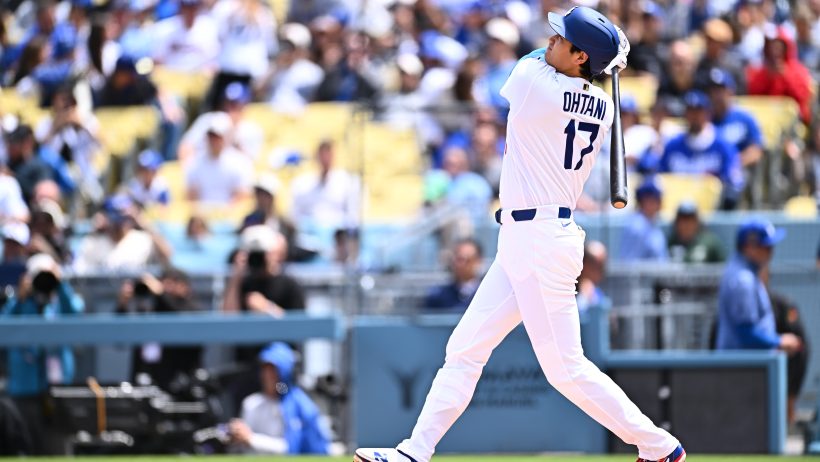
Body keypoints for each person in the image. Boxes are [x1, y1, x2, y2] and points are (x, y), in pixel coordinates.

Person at [355, 7, 685, 462]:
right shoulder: (605, 105)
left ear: (580, 55)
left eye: (560, 39)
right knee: (465, 348)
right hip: (529, 238)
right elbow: (560, 65)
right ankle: (415, 451)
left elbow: (529, 59)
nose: (549, 41)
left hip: (540, 239)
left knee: (565, 369)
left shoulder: (535, 83)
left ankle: (659, 445)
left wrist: (602, 56)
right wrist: (602, 60)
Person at [2, 253, 84, 454]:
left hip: (57, 388)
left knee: (58, 447)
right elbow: (4, 327)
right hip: (24, 387)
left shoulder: (61, 300)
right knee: (24, 446)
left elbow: (76, 316)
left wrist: (59, 284)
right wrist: (20, 299)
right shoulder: (20, 303)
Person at [716, 219, 802, 356]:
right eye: (766, 247)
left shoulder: (744, 272)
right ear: (749, 247)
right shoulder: (743, 279)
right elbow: (745, 331)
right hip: (743, 369)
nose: (771, 252)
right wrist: (778, 341)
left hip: (747, 366)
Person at [228, 342, 330, 454]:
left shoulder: (300, 406)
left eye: (274, 371)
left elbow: (293, 450)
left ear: (284, 373)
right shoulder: (251, 403)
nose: (268, 376)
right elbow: (242, 450)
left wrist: (251, 439)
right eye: (265, 370)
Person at [116, 268, 202, 393]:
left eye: (172, 282)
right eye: (163, 282)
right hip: (146, 381)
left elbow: (179, 319)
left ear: (185, 286)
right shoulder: (149, 309)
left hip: (181, 384)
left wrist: (161, 294)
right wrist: (123, 305)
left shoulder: (192, 308)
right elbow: (120, 336)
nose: (167, 287)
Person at [657, 90, 744, 210]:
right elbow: (661, 177)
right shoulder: (673, 145)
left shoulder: (723, 145)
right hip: (676, 209)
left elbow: (733, 180)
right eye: (690, 111)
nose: (694, 116)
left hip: (713, 209)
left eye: (699, 111)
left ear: (708, 113)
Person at [759, 266, 809, 424]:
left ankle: (788, 404)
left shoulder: (782, 305)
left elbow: (800, 345)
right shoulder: (734, 307)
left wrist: (790, 395)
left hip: (775, 374)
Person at [73, 194, 172, 273]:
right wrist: (94, 230)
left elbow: (167, 256)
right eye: (115, 214)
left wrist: (143, 223)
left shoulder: (143, 240)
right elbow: (79, 273)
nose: (119, 222)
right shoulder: (93, 242)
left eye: (123, 215)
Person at [290, 139, 360, 231]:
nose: (325, 158)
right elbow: (294, 217)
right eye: (322, 153)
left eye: (328, 153)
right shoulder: (301, 184)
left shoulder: (348, 183)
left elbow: (352, 218)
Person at [185, 113, 253, 204]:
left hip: (231, 216)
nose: (214, 140)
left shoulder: (241, 162)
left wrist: (223, 214)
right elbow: (191, 196)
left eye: (217, 137)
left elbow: (242, 195)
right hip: (202, 215)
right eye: (211, 136)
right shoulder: (194, 163)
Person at [423, 238, 483, 312]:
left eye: (465, 259)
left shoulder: (486, 295)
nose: (459, 264)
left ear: (478, 261)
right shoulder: (438, 296)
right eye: (456, 259)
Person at [619, 179, 668, 262]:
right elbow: (630, 264)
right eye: (653, 199)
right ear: (642, 201)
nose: (658, 203)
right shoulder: (637, 226)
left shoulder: (651, 223)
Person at [576, 240, 608, 313]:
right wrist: (585, 296)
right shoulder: (567, 290)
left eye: (603, 266)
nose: (602, 271)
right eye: (598, 266)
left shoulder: (597, 291)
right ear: (584, 265)